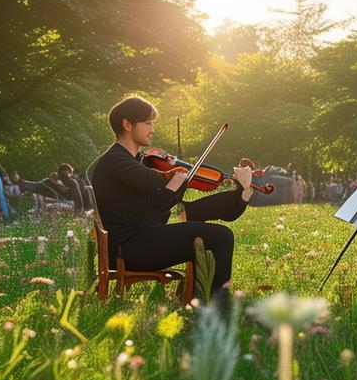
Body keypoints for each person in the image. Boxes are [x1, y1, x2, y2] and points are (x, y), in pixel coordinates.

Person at [89, 96, 255, 304]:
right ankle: (215, 307)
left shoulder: (133, 161)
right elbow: (155, 184)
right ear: (127, 124)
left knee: (194, 216)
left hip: (140, 238)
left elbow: (160, 203)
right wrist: (174, 176)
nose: (152, 129)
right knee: (220, 237)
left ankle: (240, 195)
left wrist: (177, 182)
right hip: (128, 248)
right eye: (147, 123)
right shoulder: (115, 160)